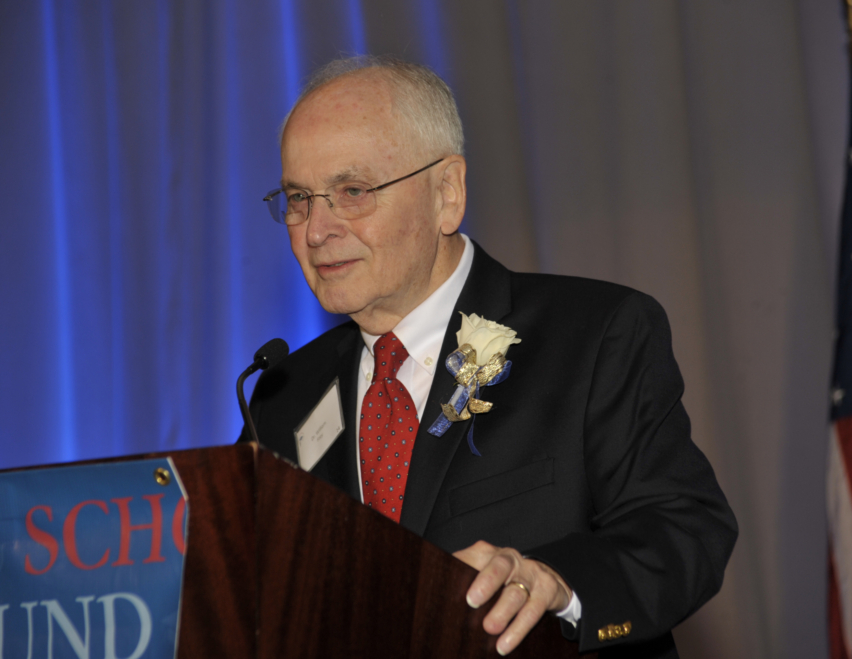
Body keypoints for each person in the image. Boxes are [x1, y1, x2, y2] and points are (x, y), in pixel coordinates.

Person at [242, 55, 737, 657]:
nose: (316, 230)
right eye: (299, 198)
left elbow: (683, 529)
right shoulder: (283, 394)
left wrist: (557, 583)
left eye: (352, 192)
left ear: (446, 193)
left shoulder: (593, 335)